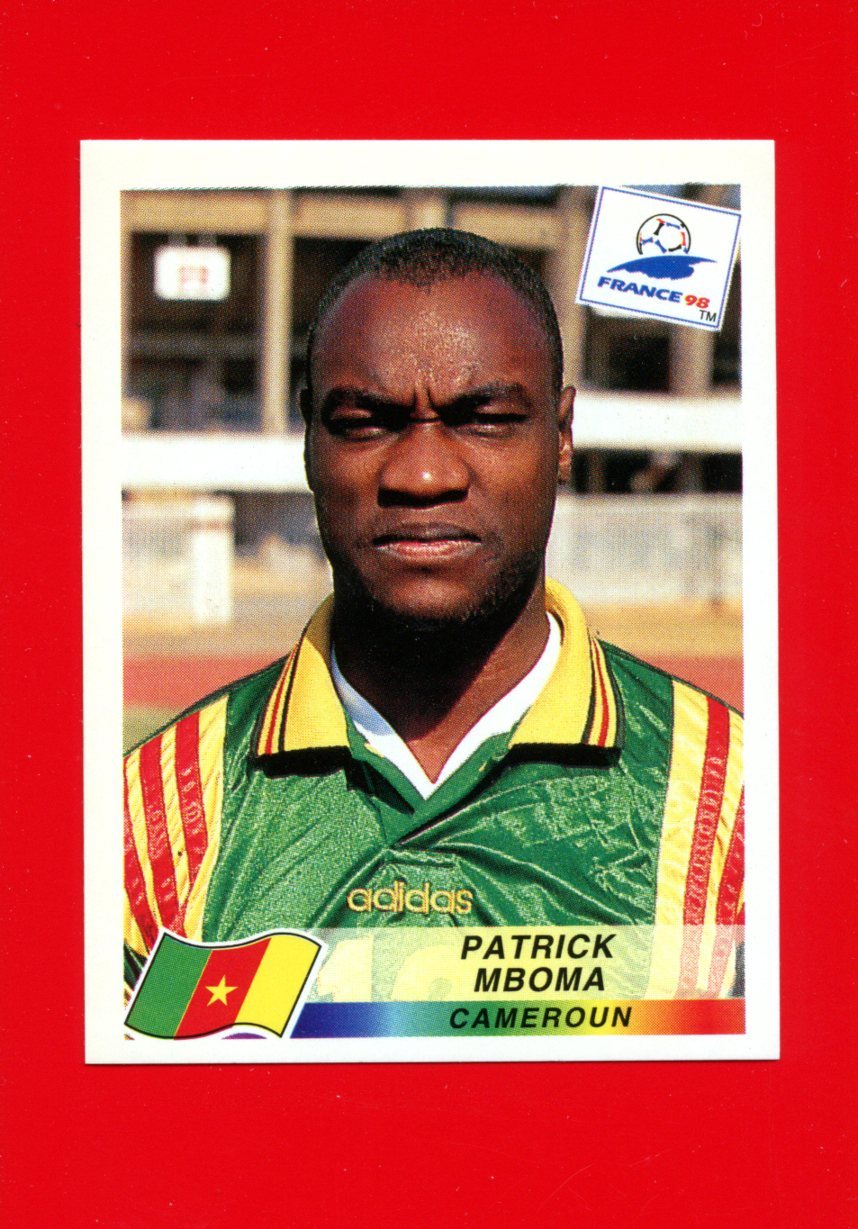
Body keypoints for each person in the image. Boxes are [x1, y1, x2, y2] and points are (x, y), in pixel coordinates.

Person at [124, 229, 743, 1002]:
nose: (423, 474)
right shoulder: (148, 822)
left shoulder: (740, 811)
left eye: (484, 418)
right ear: (310, 438)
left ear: (561, 436)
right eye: (365, 421)